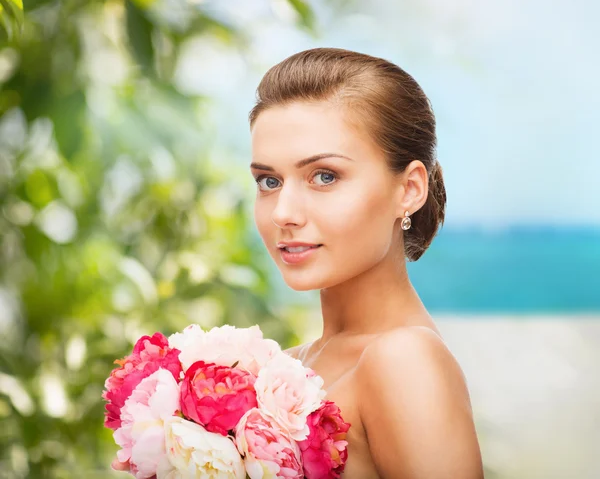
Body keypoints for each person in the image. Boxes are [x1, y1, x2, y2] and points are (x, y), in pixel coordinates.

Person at [113, 47, 484, 478]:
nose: (283, 212)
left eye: (324, 176)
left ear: (410, 189)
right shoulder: (285, 372)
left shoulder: (404, 359)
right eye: (268, 181)